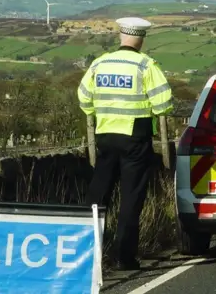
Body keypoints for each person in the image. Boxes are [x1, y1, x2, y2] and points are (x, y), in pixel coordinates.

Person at [77, 17, 173, 270]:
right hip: (135, 137)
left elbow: (84, 97)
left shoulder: (100, 63)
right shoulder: (145, 65)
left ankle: (87, 254)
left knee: (98, 196)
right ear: (141, 39)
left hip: (105, 134)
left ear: (120, 36)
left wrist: (99, 112)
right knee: (131, 198)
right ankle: (124, 257)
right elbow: (164, 102)